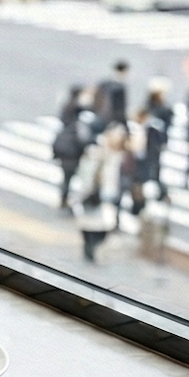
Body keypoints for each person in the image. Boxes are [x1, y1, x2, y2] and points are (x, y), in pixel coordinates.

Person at [72, 123, 128, 263]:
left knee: (104, 224)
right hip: (92, 191)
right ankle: (88, 247)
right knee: (88, 222)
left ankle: (91, 246)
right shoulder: (98, 149)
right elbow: (86, 169)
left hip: (108, 192)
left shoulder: (120, 154)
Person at [52, 86, 91, 209]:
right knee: (72, 177)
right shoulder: (78, 113)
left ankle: (64, 198)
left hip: (64, 149)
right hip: (72, 152)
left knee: (66, 178)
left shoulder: (67, 107)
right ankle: (68, 199)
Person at [94, 60, 130, 130]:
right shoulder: (119, 87)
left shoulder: (105, 83)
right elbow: (119, 106)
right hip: (114, 118)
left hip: (103, 116)